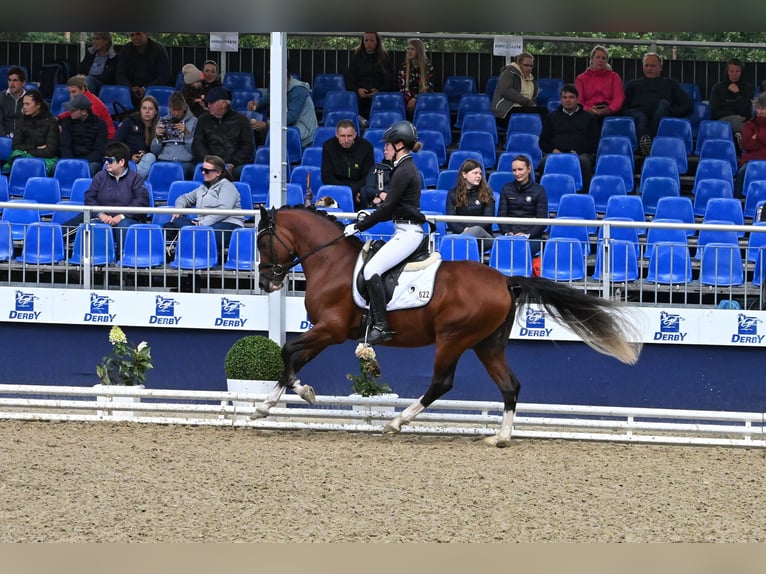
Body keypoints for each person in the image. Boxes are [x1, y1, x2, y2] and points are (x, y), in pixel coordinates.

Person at [342, 120, 426, 345]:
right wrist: (366, 218)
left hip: (409, 233)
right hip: (404, 228)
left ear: (399, 144)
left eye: (388, 145)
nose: (385, 149)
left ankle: (381, 325)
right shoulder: (402, 168)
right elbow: (392, 209)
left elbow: (388, 208)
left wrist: (359, 226)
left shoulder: (404, 170)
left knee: (371, 270)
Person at [61, 141, 150, 249]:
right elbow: (89, 197)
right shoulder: (100, 176)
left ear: (121, 162)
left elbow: (141, 202)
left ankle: (123, 258)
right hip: (101, 218)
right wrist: (101, 214)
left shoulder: (136, 179)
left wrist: (121, 216)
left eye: (110, 160)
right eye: (105, 160)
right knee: (78, 226)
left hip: (127, 219)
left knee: (124, 225)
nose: (106, 163)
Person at [162, 154, 244, 255]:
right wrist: (179, 209)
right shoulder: (203, 188)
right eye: (202, 169)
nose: (203, 172)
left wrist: (202, 224)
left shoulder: (227, 186)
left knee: (202, 233)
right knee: (172, 224)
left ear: (218, 172)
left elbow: (224, 210)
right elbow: (183, 198)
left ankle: (192, 238)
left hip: (228, 224)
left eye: (207, 171)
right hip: (204, 225)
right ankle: (192, 237)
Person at [622, 52, 693, 156]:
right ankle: (649, 146)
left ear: (660, 67)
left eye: (652, 65)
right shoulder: (633, 85)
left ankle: (648, 145)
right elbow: (623, 107)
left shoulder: (671, 84)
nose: (649, 68)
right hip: (639, 114)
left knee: (663, 104)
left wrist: (672, 112)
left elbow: (688, 106)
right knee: (641, 117)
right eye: (646, 65)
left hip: (661, 114)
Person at [539, 84, 599, 192]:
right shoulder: (552, 117)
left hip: (580, 154)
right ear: (561, 100)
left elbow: (593, 142)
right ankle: (546, 193)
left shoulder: (588, 118)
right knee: (545, 161)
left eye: (571, 97)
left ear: (577, 99)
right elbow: (543, 141)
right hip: (556, 153)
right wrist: (554, 150)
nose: (568, 100)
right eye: (564, 97)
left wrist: (577, 152)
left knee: (584, 162)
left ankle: (584, 195)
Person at [192, 86, 254, 181]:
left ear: (224, 104)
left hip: (234, 164)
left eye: (212, 103)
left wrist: (232, 163)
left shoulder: (242, 121)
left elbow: (247, 147)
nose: (209, 106)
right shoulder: (203, 120)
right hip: (209, 162)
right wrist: (211, 162)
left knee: (244, 172)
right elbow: (198, 144)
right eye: (208, 103)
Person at [249, 63, 317, 148]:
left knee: (267, 132)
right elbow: (270, 96)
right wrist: (256, 105)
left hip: (304, 131)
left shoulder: (299, 90)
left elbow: (292, 117)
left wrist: (267, 124)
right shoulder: (280, 86)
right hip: (290, 127)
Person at [497, 154, 548, 257]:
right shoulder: (506, 188)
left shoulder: (539, 190)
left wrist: (526, 235)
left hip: (532, 237)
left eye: (520, 169)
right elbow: (501, 215)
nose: (517, 173)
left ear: (529, 169)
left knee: (520, 249)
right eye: (514, 170)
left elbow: (542, 221)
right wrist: (508, 233)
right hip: (510, 236)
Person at [321, 119, 376, 209]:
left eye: (349, 136)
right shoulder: (328, 146)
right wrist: (345, 191)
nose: (346, 140)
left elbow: (368, 175)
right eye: (343, 136)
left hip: (358, 190)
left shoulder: (366, 147)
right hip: (336, 189)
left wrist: (353, 191)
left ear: (355, 134)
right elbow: (326, 176)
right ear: (337, 135)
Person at [445, 158, 495, 251]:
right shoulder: (453, 194)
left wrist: (470, 230)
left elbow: (488, 219)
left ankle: (450, 250)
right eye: (475, 173)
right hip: (461, 234)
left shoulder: (487, 193)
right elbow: (450, 220)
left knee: (477, 230)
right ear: (464, 175)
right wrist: (463, 231)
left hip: (484, 238)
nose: (479, 176)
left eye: (480, 173)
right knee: (467, 240)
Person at [7, 89, 59, 175]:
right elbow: (15, 146)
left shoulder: (51, 122)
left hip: (44, 159)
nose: (24, 107)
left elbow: (50, 151)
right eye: (23, 104)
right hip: (24, 156)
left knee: (34, 166)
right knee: (17, 158)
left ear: (38, 105)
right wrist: (36, 147)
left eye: (28, 104)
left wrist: (28, 151)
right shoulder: (21, 121)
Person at [491, 51, 547, 131]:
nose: (529, 68)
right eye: (526, 65)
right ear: (518, 64)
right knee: (543, 112)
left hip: (523, 110)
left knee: (541, 114)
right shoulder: (509, 73)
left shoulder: (531, 80)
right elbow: (506, 90)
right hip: (506, 112)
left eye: (531, 66)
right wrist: (527, 102)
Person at [575, 45, 625, 130]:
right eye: (598, 57)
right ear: (592, 59)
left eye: (603, 58)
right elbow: (579, 100)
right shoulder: (581, 79)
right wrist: (589, 109)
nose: (601, 60)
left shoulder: (614, 77)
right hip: (589, 110)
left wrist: (609, 109)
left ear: (607, 61)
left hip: (609, 110)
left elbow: (619, 97)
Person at [345, 32, 394, 120]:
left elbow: (390, 80)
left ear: (377, 42)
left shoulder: (384, 58)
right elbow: (349, 80)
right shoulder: (357, 57)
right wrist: (358, 90)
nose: (368, 43)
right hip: (359, 95)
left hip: (378, 95)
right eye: (366, 40)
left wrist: (379, 90)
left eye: (371, 40)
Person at [150, 91, 198, 180]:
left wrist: (187, 134)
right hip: (165, 159)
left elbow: (194, 151)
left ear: (184, 109)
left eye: (178, 110)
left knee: (180, 170)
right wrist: (158, 137)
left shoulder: (194, 122)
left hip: (185, 161)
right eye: (173, 110)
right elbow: (155, 151)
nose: (175, 113)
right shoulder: (162, 121)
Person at [115, 32, 171, 107]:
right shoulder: (126, 49)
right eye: (132, 35)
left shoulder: (159, 50)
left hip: (153, 92)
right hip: (130, 92)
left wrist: (145, 89)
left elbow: (165, 76)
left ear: (146, 34)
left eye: (138, 34)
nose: (135, 37)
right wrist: (130, 88)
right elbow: (120, 74)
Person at [709, 58, 754, 150]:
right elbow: (714, 112)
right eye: (731, 71)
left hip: (742, 122)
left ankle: (740, 149)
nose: (734, 74)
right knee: (736, 121)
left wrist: (737, 94)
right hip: (722, 122)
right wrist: (734, 116)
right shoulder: (718, 88)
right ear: (727, 72)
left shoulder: (747, 88)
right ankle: (742, 149)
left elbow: (747, 112)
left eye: (737, 71)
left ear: (741, 73)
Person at [58, 94, 108, 176]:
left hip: (91, 161)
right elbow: (65, 146)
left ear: (84, 112)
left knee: (89, 169)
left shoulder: (100, 124)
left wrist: (83, 162)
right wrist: (72, 162)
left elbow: (99, 150)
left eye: (73, 110)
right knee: (56, 168)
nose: (69, 112)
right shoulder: (67, 123)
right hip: (71, 159)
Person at [113, 94, 159, 178]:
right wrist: (130, 156)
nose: (147, 111)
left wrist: (144, 153)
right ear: (140, 110)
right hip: (127, 160)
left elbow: (158, 151)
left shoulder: (159, 126)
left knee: (150, 157)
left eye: (151, 109)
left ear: (156, 111)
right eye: (144, 108)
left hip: (146, 162)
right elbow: (116, 143)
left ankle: (132, 178)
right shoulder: (129, 122)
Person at [57, 74, 115, 139]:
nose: (71, 95)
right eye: (69, 92)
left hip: (105, 138)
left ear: (82, 89)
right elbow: (70, 112)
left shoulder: (93, 103)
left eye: (73, 92)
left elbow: (89, 126)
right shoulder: (78, 100)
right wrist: (58, 118)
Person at [734, 93, 766, 197]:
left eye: (763, 108)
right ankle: (737, 200)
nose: (760, 111)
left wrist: (758, 136)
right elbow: (747, 145)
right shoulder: (749, 125)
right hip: (750, 160)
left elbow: (753, 144)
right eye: (758, 108)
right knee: (741, 172)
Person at [398, 38, 434, 119]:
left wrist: (415, 99)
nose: (409, 51)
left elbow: (429, 87)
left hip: (423, 99)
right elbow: (402, 87)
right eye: (408, 49)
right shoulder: (404, 66)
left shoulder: (428, 67)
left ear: (419, 51)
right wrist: (410, 99)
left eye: (412, 49)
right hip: (406, 100)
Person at [0, 66, 27, 138]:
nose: (11, 84)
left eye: (15, 80)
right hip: (4, 139)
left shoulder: (30, 99)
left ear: (23, 83)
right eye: (9, 80)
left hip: (24, 139)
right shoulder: (1, 97)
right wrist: (5, 139)